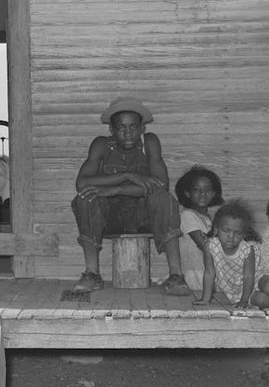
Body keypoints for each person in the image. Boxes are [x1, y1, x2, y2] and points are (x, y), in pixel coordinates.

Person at [71, 97, 189, 295]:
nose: (127, 134)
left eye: (133, 127)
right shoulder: (101, 145)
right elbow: (81, 183)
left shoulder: (149, 142)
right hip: (110, 218)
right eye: (120, 128)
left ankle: (176, 276)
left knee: (164, 199)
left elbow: (161, 185)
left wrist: (116, 189)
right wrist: (128, 176)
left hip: (144, 217)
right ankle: (92, 274)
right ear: (111, 129)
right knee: (85, 197)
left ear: (142, 128)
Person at [195, 201, 261, 309]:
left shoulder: (247, 250)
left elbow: (249, 277)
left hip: (254, 285)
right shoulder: (210, 246)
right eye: (226, 230)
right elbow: (209, 273)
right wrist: (205, 299)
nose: (231, 236)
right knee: (262, 299)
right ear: (216, 229)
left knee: (268, 289)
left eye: (238, 233)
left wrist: (244, 300)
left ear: (244, 234)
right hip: (234, 292)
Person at [174, 166, 225, 292]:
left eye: (207, 190)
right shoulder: (187, 215)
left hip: (212, 273)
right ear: (187, 193)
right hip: (198, 276)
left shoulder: (208, 219)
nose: (203, 194)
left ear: (214, 193)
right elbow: (205, 246)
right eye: (197, 190)